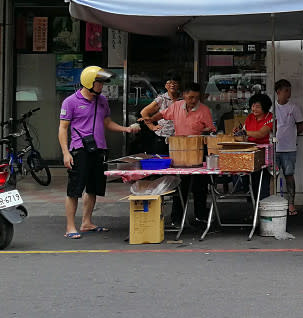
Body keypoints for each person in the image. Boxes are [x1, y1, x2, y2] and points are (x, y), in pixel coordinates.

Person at [58, 66, 139, 239]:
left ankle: (86, 222)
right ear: (89, 82)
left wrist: (126, 129)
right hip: (79, 150)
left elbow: (107, 123)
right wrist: (66, 153)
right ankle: (70, 227)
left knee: (94, 187)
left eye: (102, 82)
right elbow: (63, 128)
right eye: (99, 82)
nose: (101, 86)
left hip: (99, 149)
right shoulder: (70, 101)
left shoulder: (102, 100)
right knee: (74, 189)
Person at [157, 82, 215, 224]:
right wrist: (150, 122)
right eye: (190, 97)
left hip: (198, 151)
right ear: (184, 96)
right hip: (180, 151)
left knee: (200, 187)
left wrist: (206, 131)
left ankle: (200, 216)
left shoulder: (204, 110)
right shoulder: (176, 106)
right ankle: (177, 218)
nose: (193, 100)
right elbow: (162, 114)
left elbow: (211, 129)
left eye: (196, 98)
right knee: (180, 185)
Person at [273, 79, 303, 216]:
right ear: (278, 92)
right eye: (286, 90)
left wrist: (292, 135)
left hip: (289, 147)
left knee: (289, 175)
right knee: (272, 175)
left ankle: (291, 203)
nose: (289, 93)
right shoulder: (271, 108)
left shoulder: (294, 107)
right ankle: (273, 201)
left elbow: (301, 125)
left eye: (289, 90)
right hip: (274, 147)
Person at [139, 74, 181, 155]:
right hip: (162, 137)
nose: (172, 85)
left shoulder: (183, 99)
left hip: (179, 138)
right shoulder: (161, 99)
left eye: (175, 83)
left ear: (179, 85)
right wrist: (152, 127)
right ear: (166, 86)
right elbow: (144, 112)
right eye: (169, 83)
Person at [243, 93, 274, 198]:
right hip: (250, 153)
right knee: (252, 183)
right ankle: (254, 208)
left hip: (264, 155)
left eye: (257, 106)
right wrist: (239, 132)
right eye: (252, 106)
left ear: (265, 107)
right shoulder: (250, 117)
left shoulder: (270, 117)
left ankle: (263, 209)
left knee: (263, 183)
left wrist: (245, 132)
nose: (253, 109)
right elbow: (244, 132)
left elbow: (261, 134)